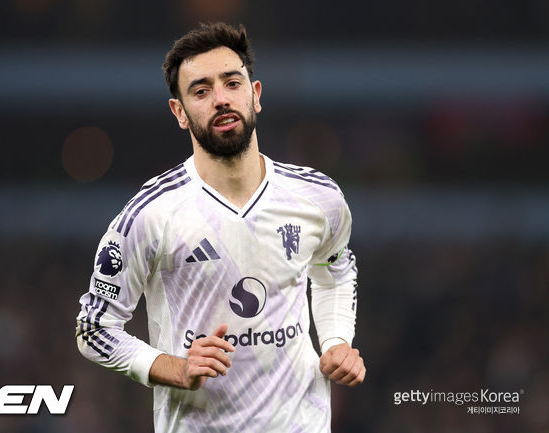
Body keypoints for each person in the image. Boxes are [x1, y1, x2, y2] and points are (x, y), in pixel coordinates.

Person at [76, 22, 365, 433]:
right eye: (201, 91)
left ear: (255, 94)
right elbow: (94, 329)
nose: (221, 99)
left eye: (232, 83)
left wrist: (336, 341)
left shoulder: (318, 197)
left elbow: (335, 271)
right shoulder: (150, 214)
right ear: (179, 113)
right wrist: (174, 368)